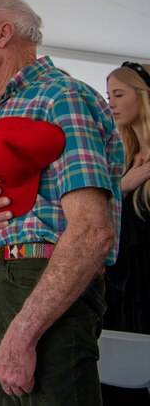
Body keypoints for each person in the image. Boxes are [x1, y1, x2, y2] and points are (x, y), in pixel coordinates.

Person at [0, 0, 122, 405]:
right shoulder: (4, 108)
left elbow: (91, 230)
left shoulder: (61, 96)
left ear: (3, 34)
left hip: (39, 283)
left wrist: (23, 332)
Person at [102, 61, 150, 405]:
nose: (111, 104)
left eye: (119, 94)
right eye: (108, 96)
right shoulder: (123, 158)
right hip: (121, 290)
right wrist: (122, 187)